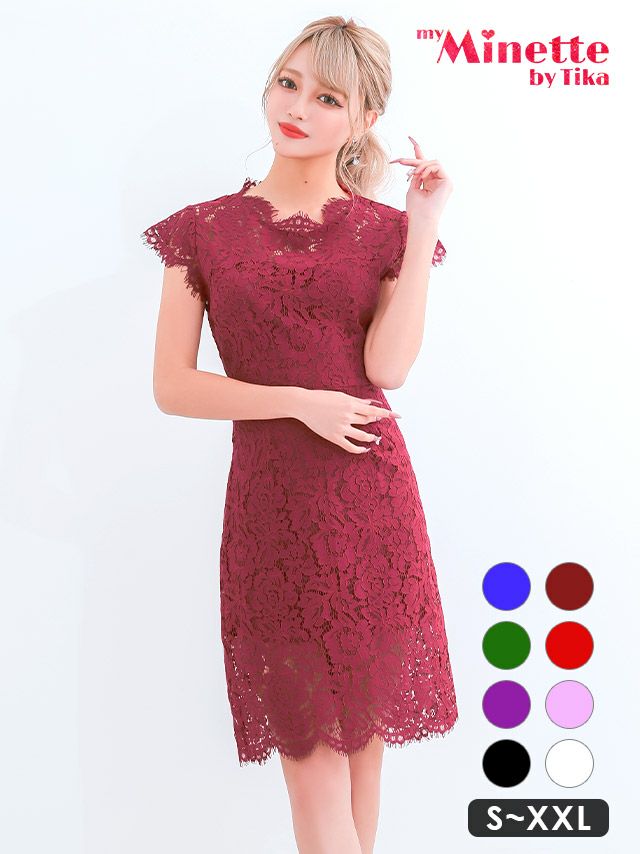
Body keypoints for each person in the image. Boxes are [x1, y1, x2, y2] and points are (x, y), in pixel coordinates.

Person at [141, 15, 458, 854]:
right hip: (273, 518)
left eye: (327, 98)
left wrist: (423, 221)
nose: (297, 108)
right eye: (288, 83)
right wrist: (297, 402)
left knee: (362, 772)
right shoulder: (201, 231)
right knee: (314, 770)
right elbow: (173, 386)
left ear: (364, 119)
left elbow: (388, 368)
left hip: (373, 508)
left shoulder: (386, 232)